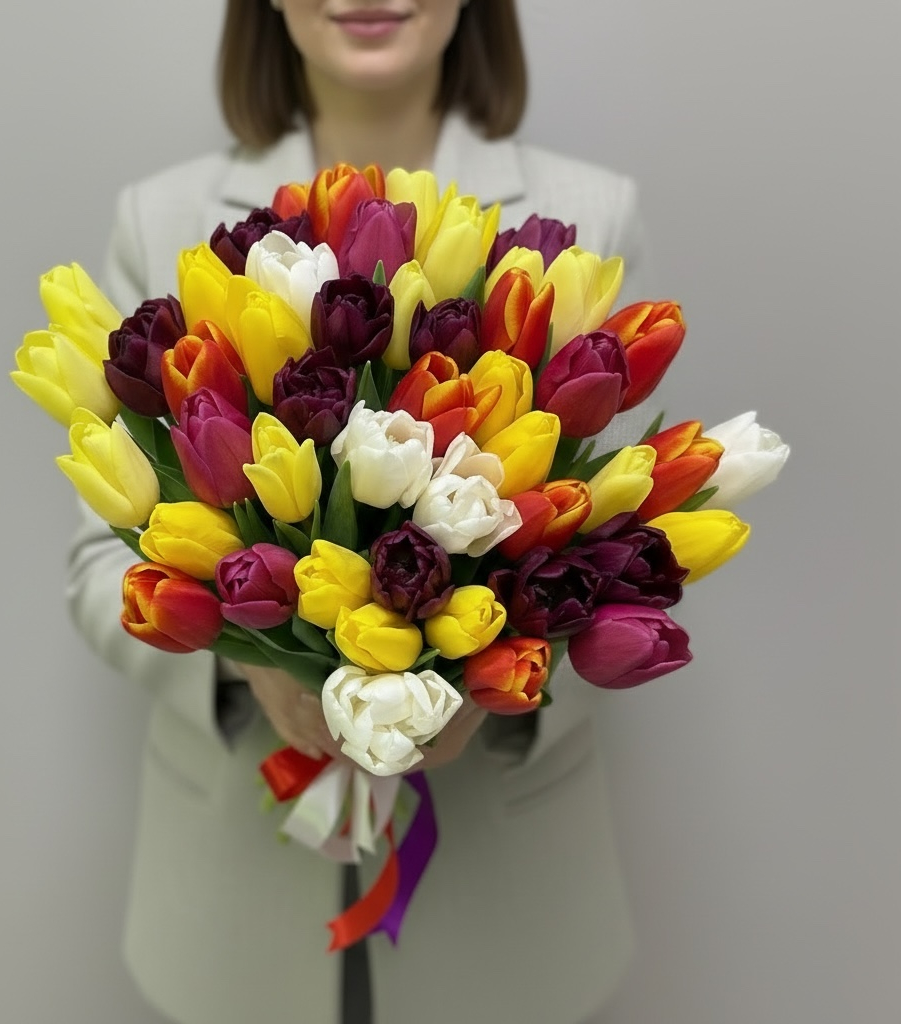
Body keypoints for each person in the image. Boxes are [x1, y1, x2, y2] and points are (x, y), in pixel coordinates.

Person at [68, 2, 654, 1022]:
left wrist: (489, 690)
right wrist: (248, 661)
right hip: (233, 894)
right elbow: (96, 561)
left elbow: (631, 548)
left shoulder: (585, 218)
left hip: (507, 902)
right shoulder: (164, 220)